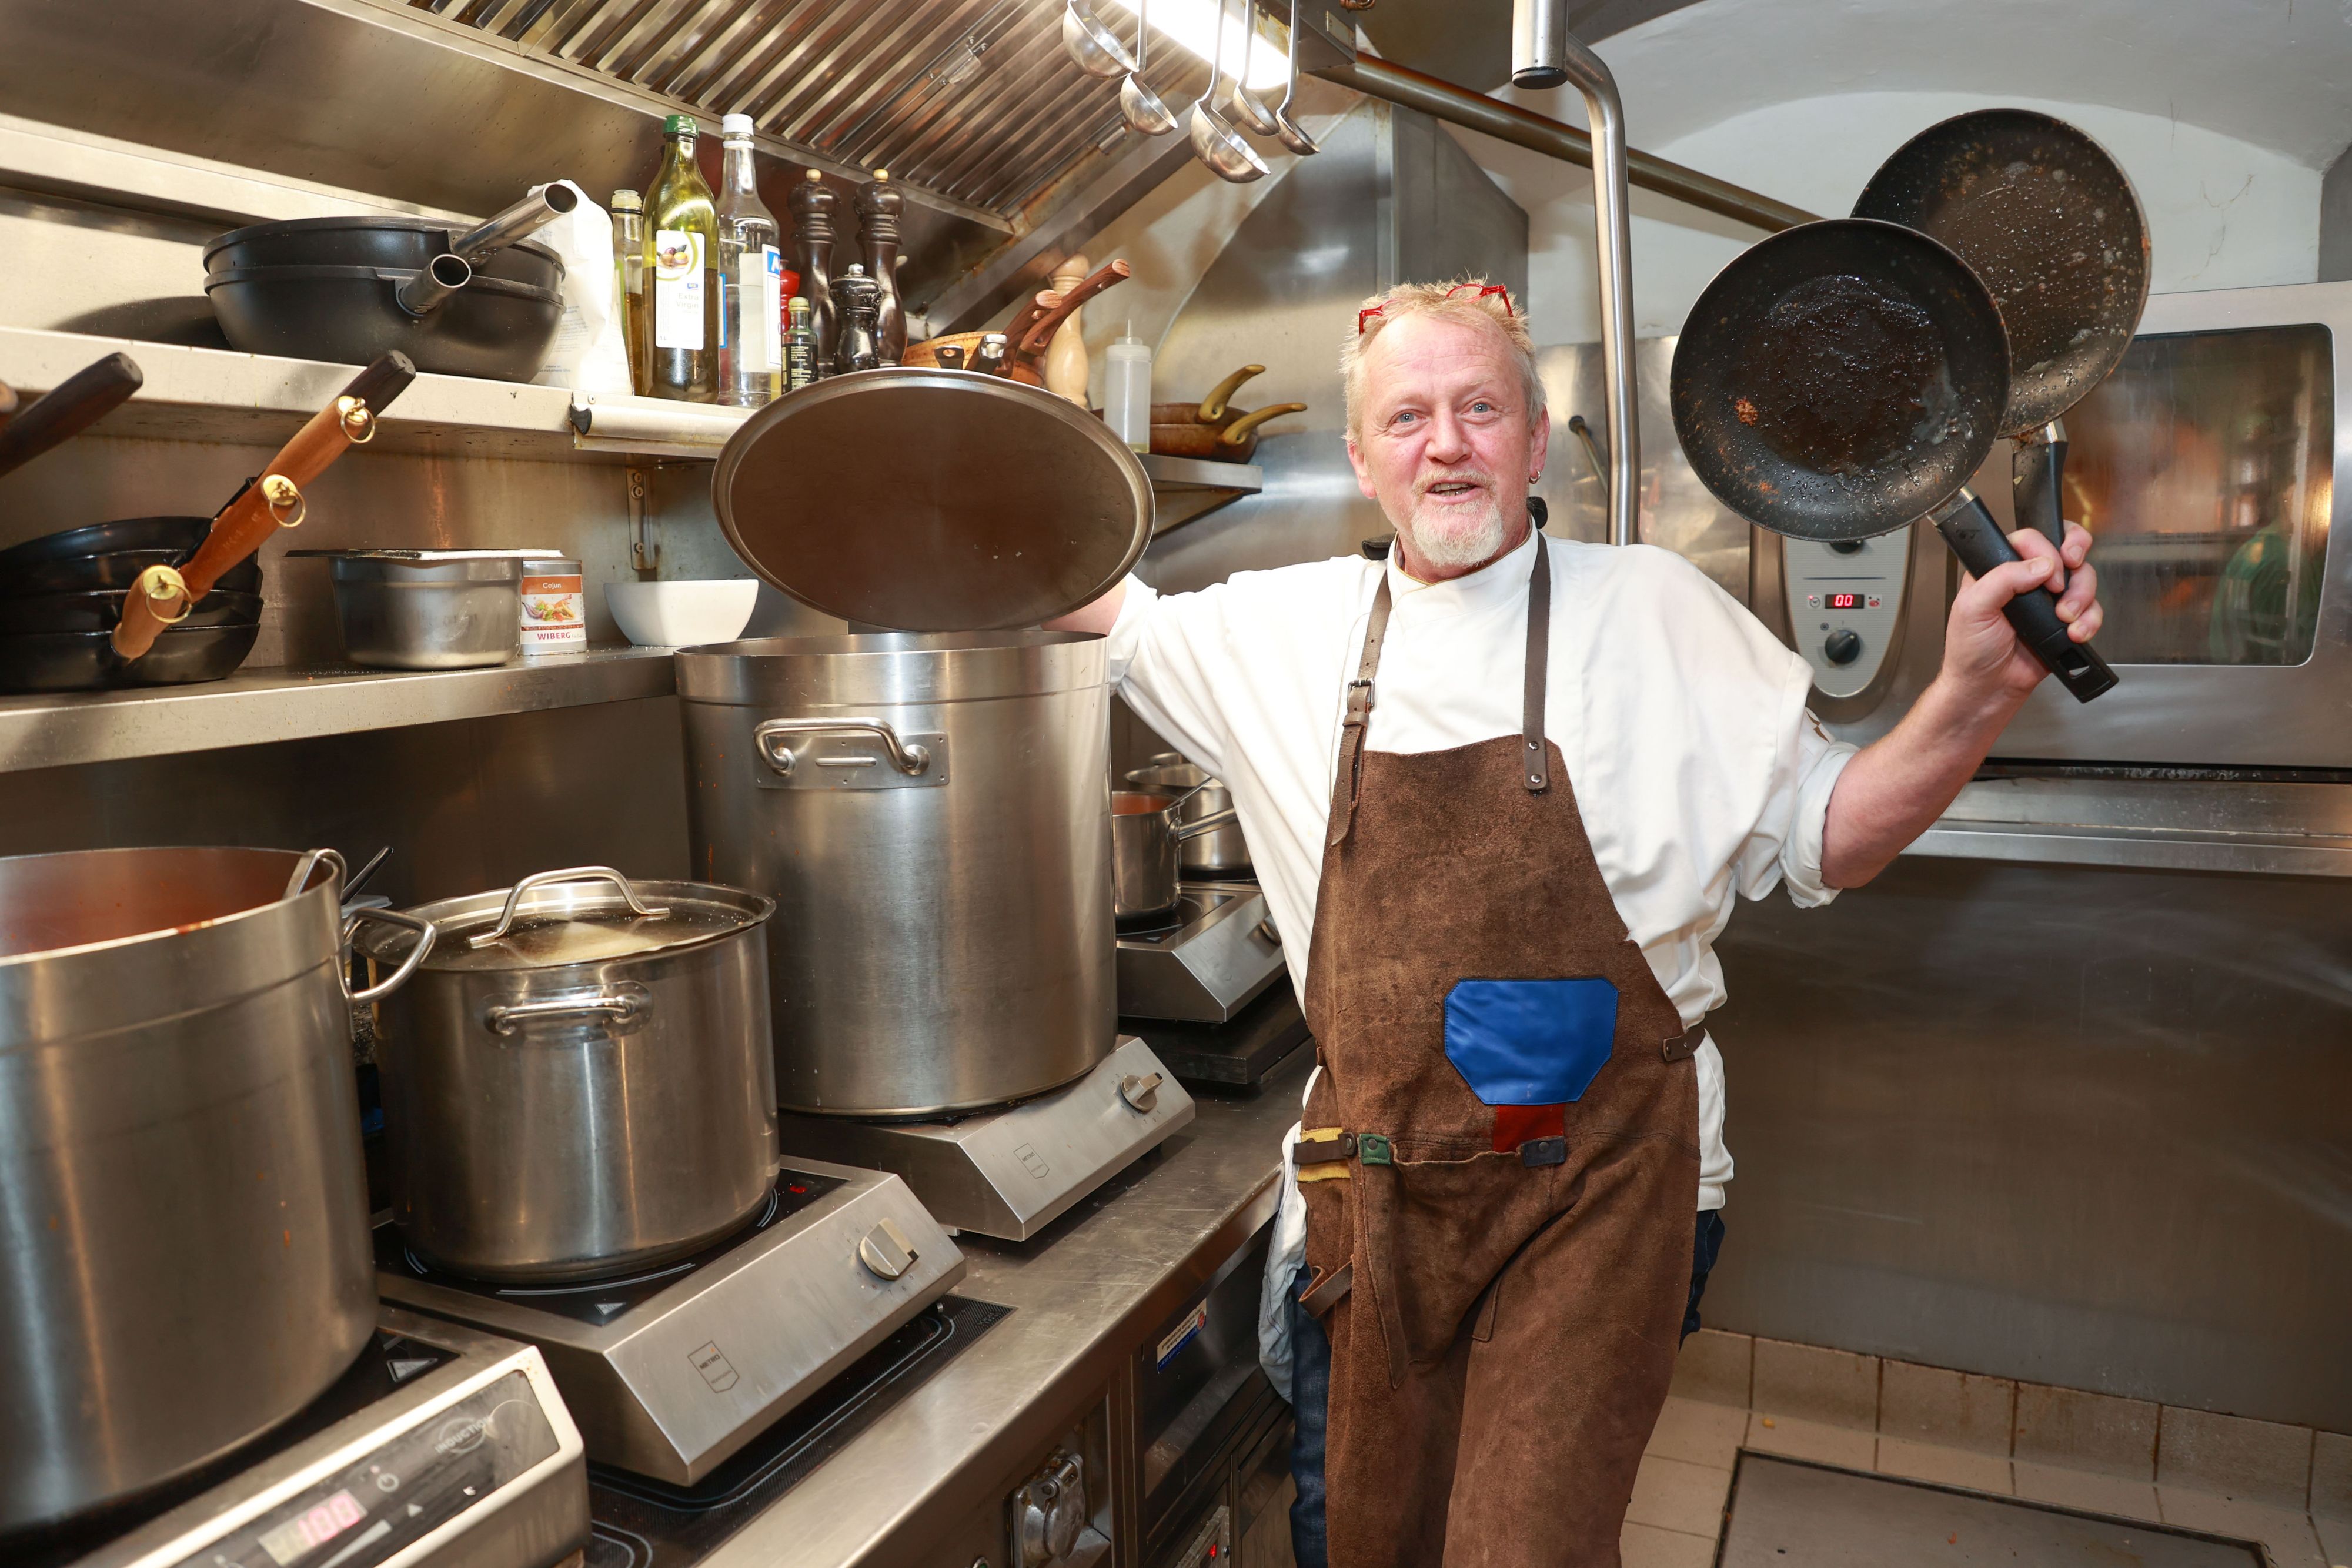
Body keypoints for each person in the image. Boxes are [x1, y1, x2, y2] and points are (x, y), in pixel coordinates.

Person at [1048, 279, 2103, 1566]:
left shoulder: (1655, 612)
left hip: (1603, 1198)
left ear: (1531, 441)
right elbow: (1065, 584)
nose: (1445, 443)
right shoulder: (1277, 629)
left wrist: (1968, 697)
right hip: (1377, 1212)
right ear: (1360, 458)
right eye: (1408, 416)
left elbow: (1830, 832)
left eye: (1479, 407)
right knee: (1360, 1539)